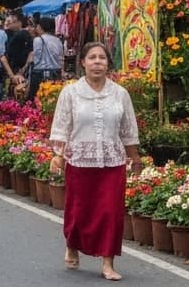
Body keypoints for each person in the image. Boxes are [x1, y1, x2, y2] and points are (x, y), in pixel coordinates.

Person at [49, 42, 141, 281]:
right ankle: (72, 244)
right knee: (78, 212)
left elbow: (128, 130)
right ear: (83, 63)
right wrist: (58, 156)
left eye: (102, 58)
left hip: (112, 163)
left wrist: (135, 159)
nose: (97, 62)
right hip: (80, 163)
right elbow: (61, 127)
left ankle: (107, 262)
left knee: (111, 213)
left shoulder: (120, 94)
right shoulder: (70, 92)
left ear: (108, 63)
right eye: (92, 58)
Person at [24, 16, 65, 102]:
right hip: (55, 72)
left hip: (40, 73)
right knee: (52, 97)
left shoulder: (38, 40)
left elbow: (37, 58)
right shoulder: (58, 40)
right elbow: (61, 58)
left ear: (41, 27)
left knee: (38, 98)